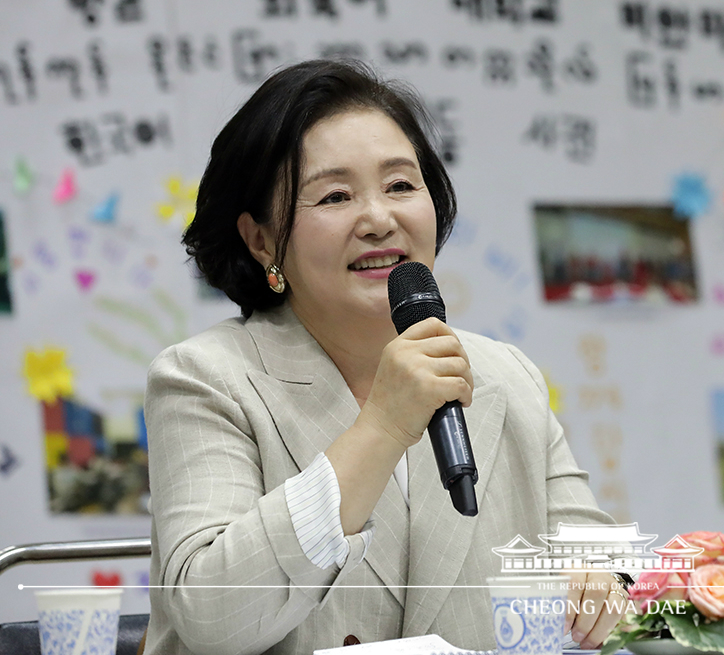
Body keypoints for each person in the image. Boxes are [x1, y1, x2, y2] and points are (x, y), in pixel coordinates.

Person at [144, 60, 626, 655]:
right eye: (336, 195)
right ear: (262, 240)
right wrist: (382, 426)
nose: (379, 219)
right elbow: (212, 618)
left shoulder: (506, 374)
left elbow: (599, 554)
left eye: (400, 186)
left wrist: (604, 583)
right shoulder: (205, 379)